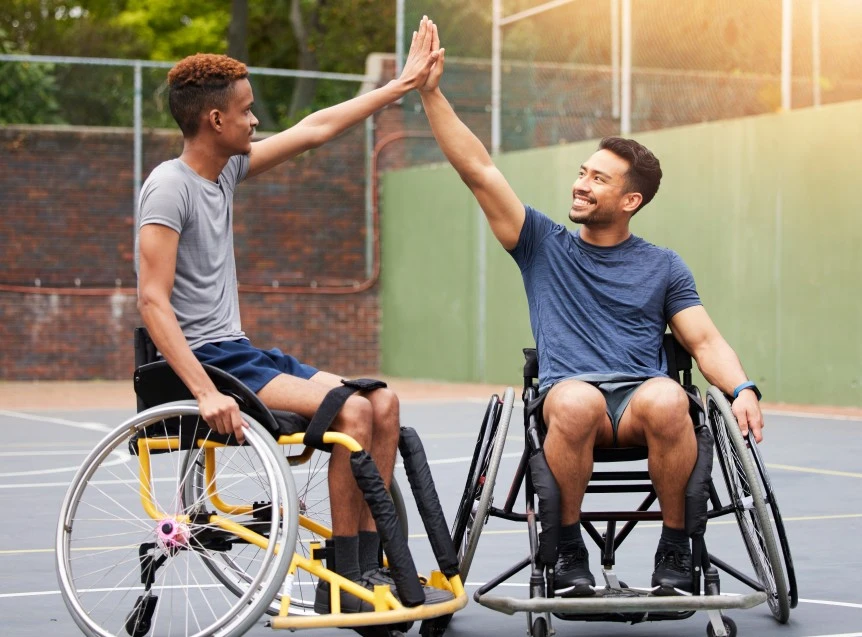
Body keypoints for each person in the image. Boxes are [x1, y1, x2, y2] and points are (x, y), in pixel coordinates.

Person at [417, 27, 764, 596]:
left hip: (641, 400)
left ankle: (676, 549)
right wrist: (432, 94)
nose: (581, 184)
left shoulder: (663, 265)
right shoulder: (541, 244)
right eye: (583, 172)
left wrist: (742, 388)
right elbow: (479, 170)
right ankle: (568, 550)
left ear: (631, 201)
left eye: (597, 179)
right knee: (575, 401)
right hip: (569, 395)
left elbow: (703, 342)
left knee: (673, 395)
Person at [135, 17, 444, 613]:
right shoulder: (167, 188)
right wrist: (204, 393)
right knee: (352, 412)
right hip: (208, 363)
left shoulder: (224, 170)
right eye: (247, 110)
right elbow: (152, 301)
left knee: (382, 402)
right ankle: (345, 582)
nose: (256, 121)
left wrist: (402, 85)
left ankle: (365, 569)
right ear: (214, 119)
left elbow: (315, 129)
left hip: (240, 351)